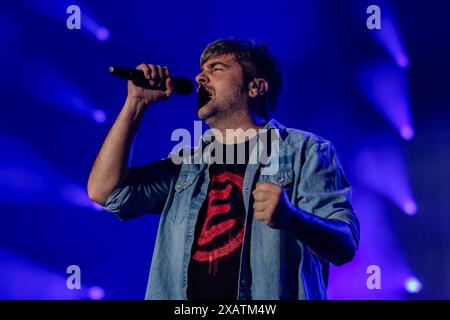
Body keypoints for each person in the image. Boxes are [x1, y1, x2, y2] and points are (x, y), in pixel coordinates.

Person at [87, 39, 360, 300]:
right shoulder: (188, 164)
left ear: (256, 87)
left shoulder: (306, 151)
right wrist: (136, 104)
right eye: (201, 70)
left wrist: (291, 218)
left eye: (217, 68)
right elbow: (105, 191)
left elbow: (344, 245)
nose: (199, 78)